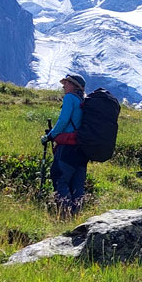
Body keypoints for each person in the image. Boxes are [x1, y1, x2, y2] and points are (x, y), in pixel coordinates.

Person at [42, 74, 88, 214]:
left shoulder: (69, 98)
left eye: (67, 83)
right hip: (82, 149)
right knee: (77, 184)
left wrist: (50, 136)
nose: (64, 86)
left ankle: (64, 214)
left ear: (74, 86)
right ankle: (77, 215)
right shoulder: (83, 101)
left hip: (67, 147)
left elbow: (63, 120)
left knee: (59, 178)